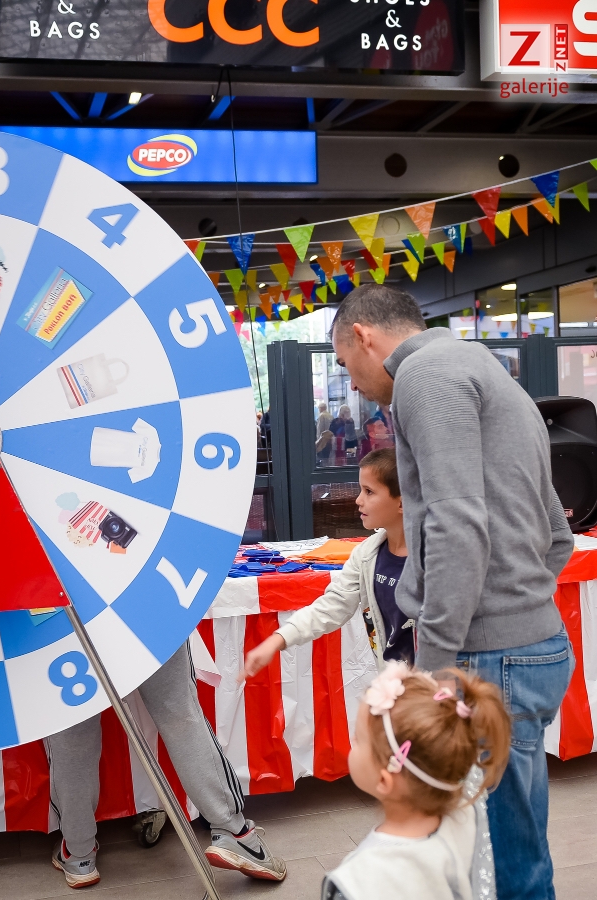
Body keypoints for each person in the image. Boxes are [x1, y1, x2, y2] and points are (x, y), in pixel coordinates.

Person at [328, 283, 575, 900]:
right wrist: (522, 603)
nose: (353, 384)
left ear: (363, 336)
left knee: (504, 864)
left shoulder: (424, 377)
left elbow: (456, 528)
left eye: (345, 365)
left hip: (490, 656)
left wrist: (433, 673)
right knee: (509, 844)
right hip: (526, 644)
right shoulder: (482, 367)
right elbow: (557, 530)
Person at [47, 642, 286, 888]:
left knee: (71, 734)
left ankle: (79, 853)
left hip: (62, 628)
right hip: (142, 619)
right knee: (180, 715)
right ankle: (235, 833)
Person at [322, 661, 510, 900]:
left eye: (358, 739)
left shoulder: (357, 883)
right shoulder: (465, 813)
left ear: (384, 781)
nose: (352, 742)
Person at [241, 448, 414, 680]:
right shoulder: (366, 555)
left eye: (369, 491)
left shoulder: (434, 560)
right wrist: (277, 639)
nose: (358, 500)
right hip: (397, 687)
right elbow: (333, 605)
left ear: (402, 503)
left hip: (440, 688)